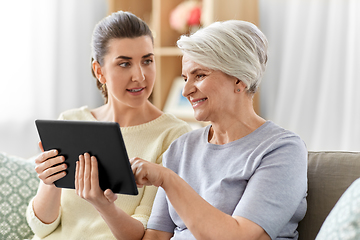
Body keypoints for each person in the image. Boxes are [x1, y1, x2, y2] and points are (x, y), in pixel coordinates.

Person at [130, 20, 308, 240]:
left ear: (240, 80)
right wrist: (102, 202)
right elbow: (156, 237)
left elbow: (240, 236)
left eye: (200, 75)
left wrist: (168, 179)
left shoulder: (282, 149)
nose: (185, 90)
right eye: (186, 78)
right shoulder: (181, 148)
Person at [26, 11, 192, 240]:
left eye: (147, 60)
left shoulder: (173, 135)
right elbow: (41, 228)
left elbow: (145, 235)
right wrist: (50, 182)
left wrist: (104, 206)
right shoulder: (71, 122)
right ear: (99, 71)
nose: (140, 76)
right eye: (124, 64)